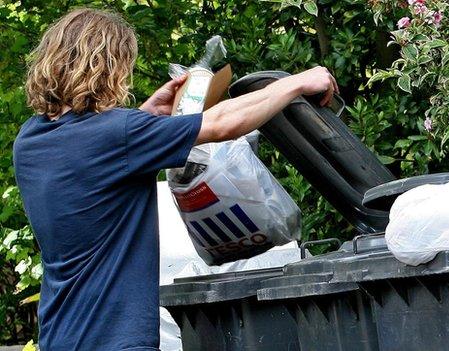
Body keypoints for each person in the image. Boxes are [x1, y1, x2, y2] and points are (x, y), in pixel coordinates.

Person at [13, 8, 338, 351]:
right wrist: (297, 81)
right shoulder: (118, 135)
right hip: (116, 340)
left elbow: (93, 163)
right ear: (106, 68)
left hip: (60, 336)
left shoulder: (30, 140)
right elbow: (221, 123)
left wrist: (146, 117)